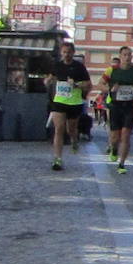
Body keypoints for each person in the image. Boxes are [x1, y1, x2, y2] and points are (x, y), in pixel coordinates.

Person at [47, 41, 91, 170]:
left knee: (70, 130)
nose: (66, 55)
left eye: (69, 52)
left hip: (74, 102)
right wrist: (47, 80)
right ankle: (58, 159)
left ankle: (74, 140)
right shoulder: (57, 65)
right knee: (59, 129)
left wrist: (76, 84)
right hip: (59, 101)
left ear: (73, 53)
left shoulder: (79, 67)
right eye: (64, 52)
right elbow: (51, 76)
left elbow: (88, 84)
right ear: (61, 52)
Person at [102, 46, 133, 174]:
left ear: (132, 57)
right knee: (115, 137)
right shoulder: (111, 71)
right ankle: (114, 149)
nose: (127, 57)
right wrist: (110, 89)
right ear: (120, 56)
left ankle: (122, 163)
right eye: (125, 55)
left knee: (126, 135)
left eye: (129, 55)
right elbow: (100, 84)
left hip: (130, 107)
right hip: (115, 106)